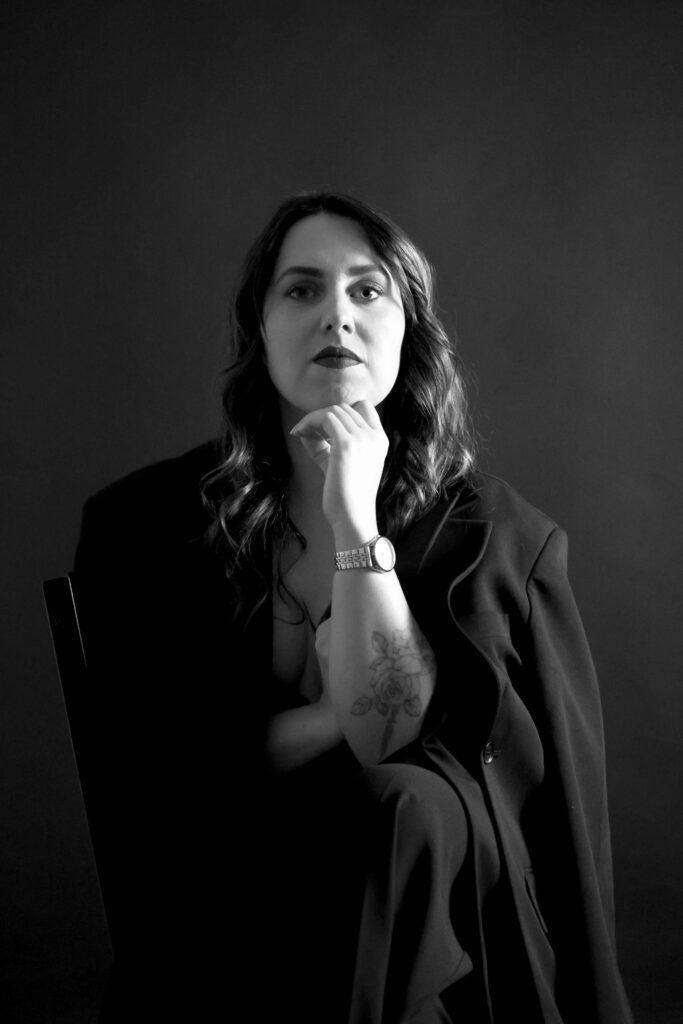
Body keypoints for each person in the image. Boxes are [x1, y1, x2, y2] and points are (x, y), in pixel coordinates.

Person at [73, 191, 634, 1023]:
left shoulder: (505, 539)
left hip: (442, 895)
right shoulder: (146, 522)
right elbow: (155, 771)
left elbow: (438, 762)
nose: (336, 313)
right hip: (232, 882)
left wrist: (353, 518)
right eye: (301, 290)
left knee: (398, 807)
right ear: (257, 328)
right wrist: (333, 715)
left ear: (408, 327)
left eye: (367, 290)